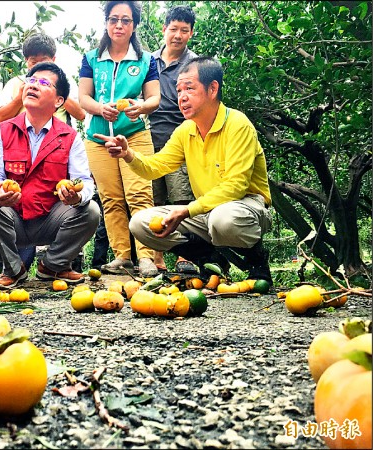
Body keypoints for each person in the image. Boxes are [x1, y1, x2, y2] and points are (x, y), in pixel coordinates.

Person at [96, 56, 273, 285]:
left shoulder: (238, 124)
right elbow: (155, 167)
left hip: (246, 206)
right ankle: (210, 259)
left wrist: (187, 211)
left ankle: (258, 261)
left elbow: (235, 186)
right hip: (206, 211)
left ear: (212, 89)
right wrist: (128, 154)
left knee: (223, 219)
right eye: (179, 90)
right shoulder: (186, 130)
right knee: (140, 223)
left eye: (189, 88)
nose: (182, 97)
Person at [0, 62, 100, 288]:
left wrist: (76, 196)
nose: (33, 86)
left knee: (90, 211)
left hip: (52, 218)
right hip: (12, 218)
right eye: (31, 81)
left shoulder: (70, 137)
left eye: (43, 83)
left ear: (59, 101)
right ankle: (13, 270)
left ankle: (52, 266)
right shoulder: (0, 132)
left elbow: (85, 182)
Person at [78, 0, 161, 278]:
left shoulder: (146, 60)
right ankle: (122, 256)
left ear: (134, 25)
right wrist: (101, 109)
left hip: (134, 135)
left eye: (126, 20)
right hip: (99, 137)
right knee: (111, 199)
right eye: (114, 19)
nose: (119, 25)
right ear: (106, 22)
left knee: (140, 195)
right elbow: (83, 97)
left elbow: (154, 98)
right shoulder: (91, 58)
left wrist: (141, 107)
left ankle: (147, 256)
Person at [0, 32, 86, 271]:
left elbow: (80, 114)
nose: (36, 65)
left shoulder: (61, 84)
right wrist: (25, 94)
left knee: (72, 201)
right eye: (32, 61)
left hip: (57, 150)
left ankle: (56, 265)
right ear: (26, 61)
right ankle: (16, 270)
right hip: (20, 150)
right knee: (17, 200)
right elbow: (0, 117)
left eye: (43, 59)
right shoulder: (16, 83)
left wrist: (55, 92)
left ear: (54, 58)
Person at [149, 5, 199, 273]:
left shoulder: (194, 65)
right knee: (154, 202)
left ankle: (185, 256)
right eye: (173, 29)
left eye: (184, 30)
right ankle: (157, 260)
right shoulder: (148, 62)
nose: (177, 35)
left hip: (181, 140)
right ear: (164, 29)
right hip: (150, 139)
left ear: (191, 33)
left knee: (181, 198)